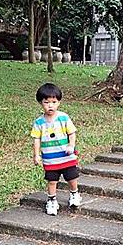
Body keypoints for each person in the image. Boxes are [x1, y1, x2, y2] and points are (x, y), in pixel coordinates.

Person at [31, 83, 81, 215]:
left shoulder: (63, 117)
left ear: (59, 102)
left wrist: (71, 145)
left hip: (66, 156)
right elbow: (36, 139)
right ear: (41, 103)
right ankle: (52, 200)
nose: (50, 105)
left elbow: (72, 132)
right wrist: (36, 155)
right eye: (46, 102)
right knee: (52, 181)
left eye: (54, 102)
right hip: (50, 159)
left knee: (71, 178)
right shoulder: (39, 122)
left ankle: (74, 194)